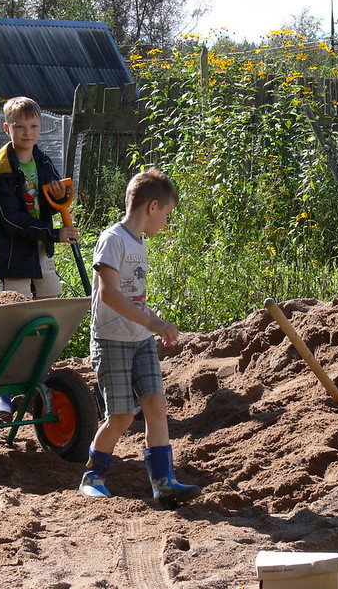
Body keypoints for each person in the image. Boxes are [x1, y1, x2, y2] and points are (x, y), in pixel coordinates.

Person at [79, 168, 201, 507]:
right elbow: (109, 293)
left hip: (141, 339)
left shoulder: (139, 242)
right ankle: (93, 476)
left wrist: (151, 323)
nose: (166, 221)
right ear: (152, 206)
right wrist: (154, 321)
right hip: (112, 340)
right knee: (121, 417)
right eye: (167, 213)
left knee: (156, 406)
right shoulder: (113, 239)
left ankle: (164, 482)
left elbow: (134, 296)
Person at [0, 96, 78, 416]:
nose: (27, 132)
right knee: (15, 320)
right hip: (13, 255)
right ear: (7, 128)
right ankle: (1, 390)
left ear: (40, 128)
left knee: (49, 308)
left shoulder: (42, 160)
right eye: (20, 127)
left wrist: (60, 197)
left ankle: (38, 373)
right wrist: (54, 233)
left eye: (33, 126)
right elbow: (11, 220)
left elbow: (54, 197)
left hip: (40, 250)